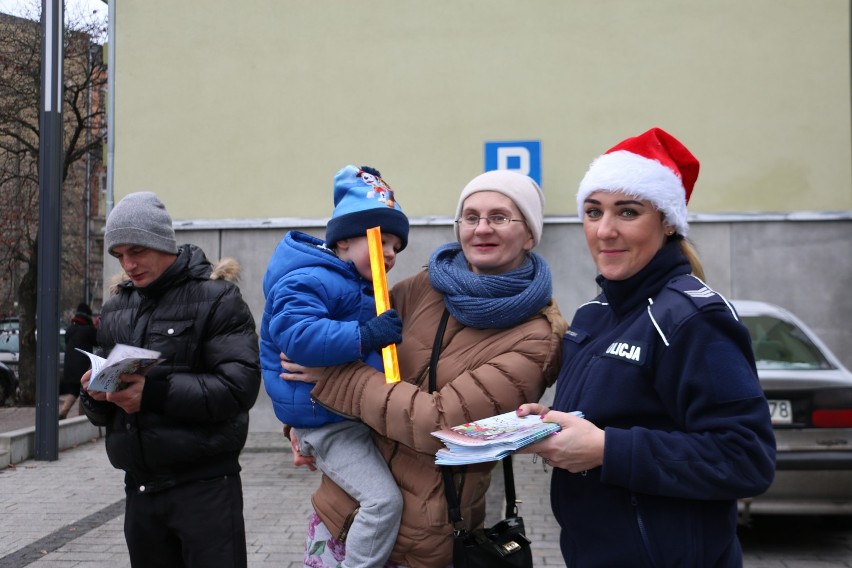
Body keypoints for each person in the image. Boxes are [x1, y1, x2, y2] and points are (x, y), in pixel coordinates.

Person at [282, 169, 567, 568]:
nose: (481, 228)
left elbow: (444, 426)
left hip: (424, 542)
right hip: (343, 514)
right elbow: (343, 344)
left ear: (531, 234)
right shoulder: (425, 287)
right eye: (470, 217)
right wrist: (303, 421)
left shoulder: (535, 337)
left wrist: (333, 381)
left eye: (500, 217)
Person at [518, 127, 777, 567]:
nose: (605, 231)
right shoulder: (594, 315)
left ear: (668, 221)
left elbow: (746, 458)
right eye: (593, 211)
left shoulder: (694, 319)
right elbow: (607, 420)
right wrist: (551, 425)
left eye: (628, 212)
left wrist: (607, 450)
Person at [79, 191, 261, 568]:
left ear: (161, 242)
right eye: (119, 256)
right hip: (140, 492)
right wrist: (95, 396)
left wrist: (155, 393)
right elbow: (106, 412)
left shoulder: (218, 299)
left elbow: (237, 389)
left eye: (136, 251)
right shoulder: (117, 308)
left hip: (206, 489)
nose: (128, 265)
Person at [261, 165, 408, 568]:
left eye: (397, 246)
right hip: (327, 424)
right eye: (382, 242)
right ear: (344, 240)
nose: (392, 254)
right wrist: (366, 336)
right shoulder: (309, 278)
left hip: (342, 415)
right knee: (382, 502)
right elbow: (298, 336)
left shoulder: (355, 285)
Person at [59, 302, 97, 419]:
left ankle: (62, 412)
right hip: (83, 369)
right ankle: (81, 419)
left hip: (69, 368)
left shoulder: (70, 329)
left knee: (74, 392)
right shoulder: (89, 330)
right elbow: (98, 342)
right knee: (84, 392)